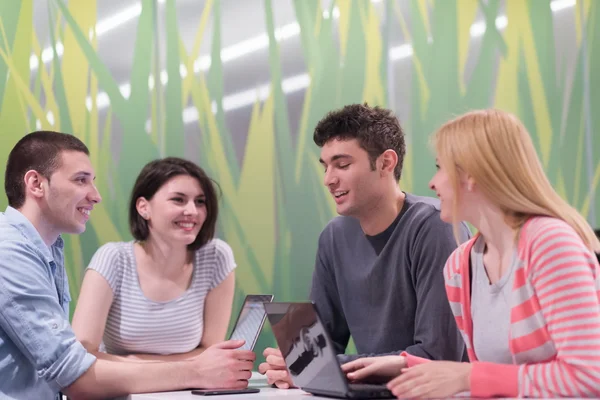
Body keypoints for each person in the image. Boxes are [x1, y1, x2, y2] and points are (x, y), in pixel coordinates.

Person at [342, 109, 600, 398]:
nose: (433, 183)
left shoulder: (550, 243)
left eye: (441, 168)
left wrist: (468, 376)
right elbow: (491, 377)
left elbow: (588, 377)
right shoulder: (460, 267)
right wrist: (406, 365)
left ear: (473, 176)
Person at [0, 131, 255, 399]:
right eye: (80, 180)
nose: (96, 195)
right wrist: (196, 371)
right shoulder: (10, 251)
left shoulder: (48, 246)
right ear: (36, 184)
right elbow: (73, 373)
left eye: (200, 201)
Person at [259, 104, 470, 388]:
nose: (328, 180)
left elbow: (437, 355)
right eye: (325, 167)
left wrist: (314, 367)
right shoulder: (333, 236)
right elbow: (322, 347)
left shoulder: (435, 226)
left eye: (342, 165)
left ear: (386, 163)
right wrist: (292, 361)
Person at [72, 157, 236, 361]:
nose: (193, 211)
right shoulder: (113, 259)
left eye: (200, 202)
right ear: (143, 208)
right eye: (178, 199)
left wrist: (142, 363)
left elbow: (211, 351)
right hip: (124, 389)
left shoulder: (216, 257)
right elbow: (81, 353)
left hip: (187, 390)